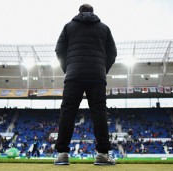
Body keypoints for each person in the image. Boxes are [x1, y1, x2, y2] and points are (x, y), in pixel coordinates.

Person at [54, 4, 117, 165]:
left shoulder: (69, 27)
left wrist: (68, 69)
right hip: (97, 76)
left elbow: (59, 50)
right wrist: (102, 69)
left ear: (79, 12)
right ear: (93, 12)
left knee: (68, 112)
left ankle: (62, 154)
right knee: (99, 112)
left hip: (74, 75)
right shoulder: (104, 28)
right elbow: (112, 53)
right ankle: (102, 154)